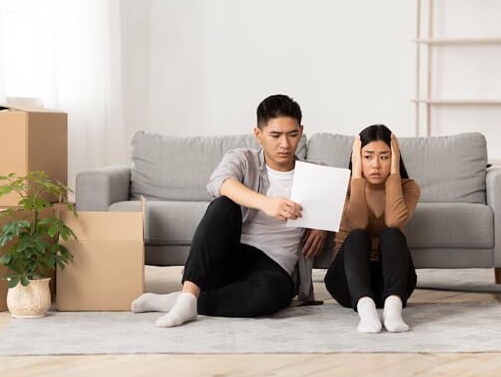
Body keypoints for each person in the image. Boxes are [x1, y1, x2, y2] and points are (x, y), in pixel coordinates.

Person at [131, 94, 327, 327]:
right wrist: (266, 203)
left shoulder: (316, 173)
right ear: (259, 134)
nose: (285, 144)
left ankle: (183, 301)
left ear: (301, 131)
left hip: (275, 266)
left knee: (272, 296)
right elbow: (218, 182)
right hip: (231, 255)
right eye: (275, 135)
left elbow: (347, 198)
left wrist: (322, 224)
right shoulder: (243, 159)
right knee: (223, 204)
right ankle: (188, 296)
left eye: (292, 134)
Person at [324, 124, 420, 333]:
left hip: (391, 282)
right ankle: (366, 312)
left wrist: (394, 174)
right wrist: (356, 175)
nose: (376, 165)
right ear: (357, 158)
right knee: (358, 236)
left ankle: (393, 311)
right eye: (368, 157)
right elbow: (357, 223)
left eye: (384, 157)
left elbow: (395, 221)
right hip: (348, 282)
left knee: (393, 234)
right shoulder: (345, 186)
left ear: (394, 157)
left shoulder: (408, 187)